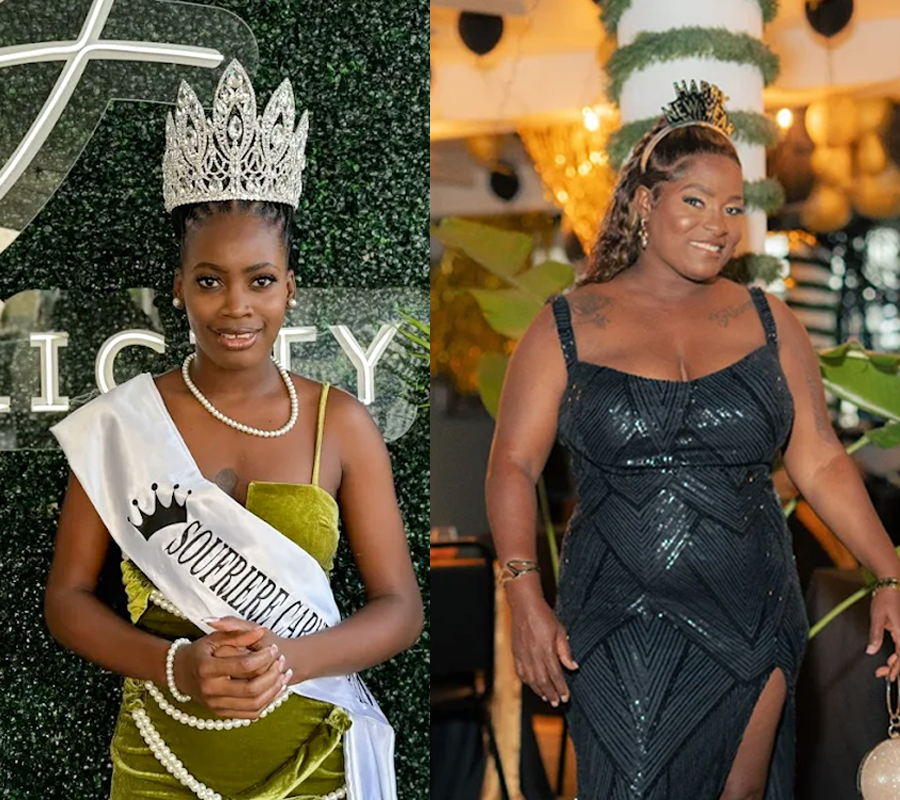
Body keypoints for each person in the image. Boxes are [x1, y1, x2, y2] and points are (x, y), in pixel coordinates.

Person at [485, 81, 900, 800]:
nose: (720, 224)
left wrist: (890, 573)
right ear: (647, 202)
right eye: (696, 201)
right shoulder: (568, 324)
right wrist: (524, 593)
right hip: (616, 617)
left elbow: (822, 459)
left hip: (753, 610)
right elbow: (513, 465)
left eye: (734, 207)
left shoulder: (770, 320)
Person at [43, 60, 422, 800]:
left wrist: (294, 659)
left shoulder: (337, 422)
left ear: (290, 288)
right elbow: (66, 599)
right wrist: (176, 665)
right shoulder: (124, 424)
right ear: (179, 286)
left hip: (313, 755)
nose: (235, 306)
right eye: (210, 280)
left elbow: (400, 607)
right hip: (159, 757)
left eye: (260, 280)